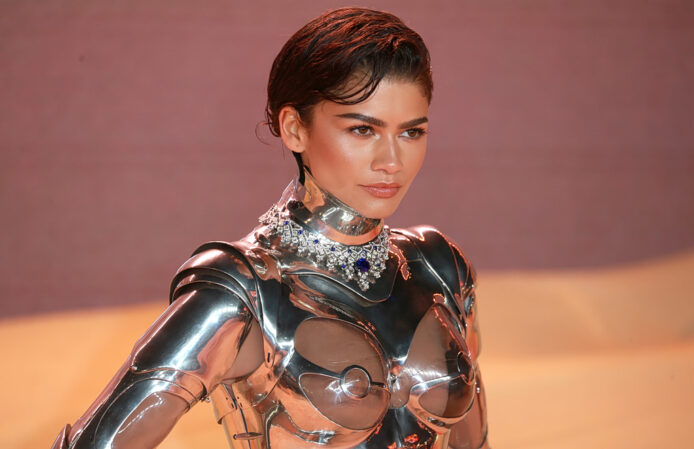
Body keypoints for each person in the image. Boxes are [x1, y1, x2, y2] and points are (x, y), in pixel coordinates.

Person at [51, 7, 489, 449]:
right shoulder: (242, 291)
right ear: (294, 129)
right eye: (362, 130)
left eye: (411, 133)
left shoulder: (440, 267)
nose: (391, 162)